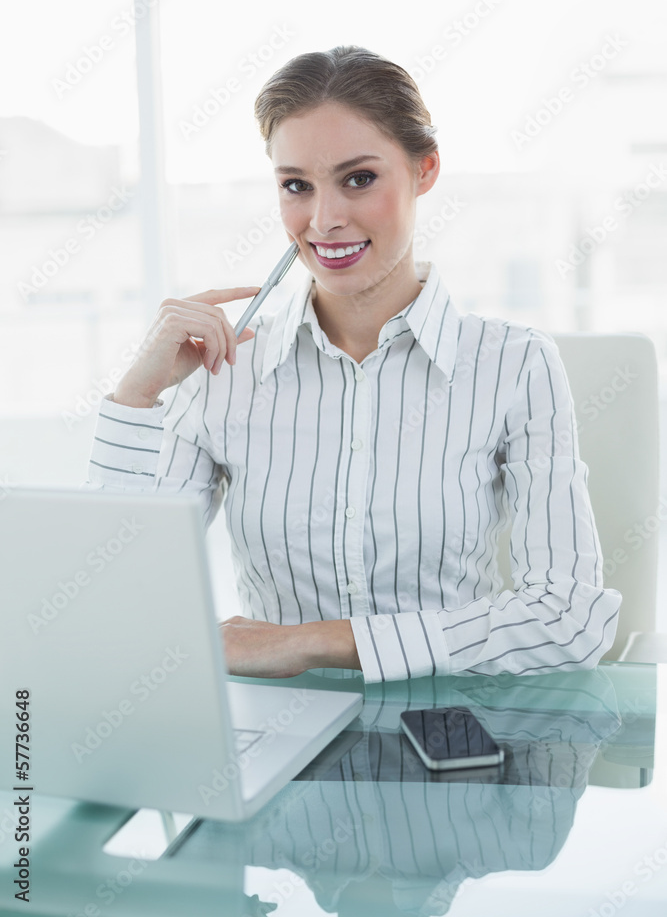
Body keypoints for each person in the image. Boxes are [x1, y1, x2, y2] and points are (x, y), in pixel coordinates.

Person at [87, 44, 622, 684]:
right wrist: (136, 397)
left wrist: (316, 643)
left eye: (358, 179)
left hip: (452, 736)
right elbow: (110, 604)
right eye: (296, 186)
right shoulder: (226, 369)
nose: (325, 220)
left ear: (424, 171)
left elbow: (569, 619)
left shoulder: (515, 366)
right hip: (272, 739)